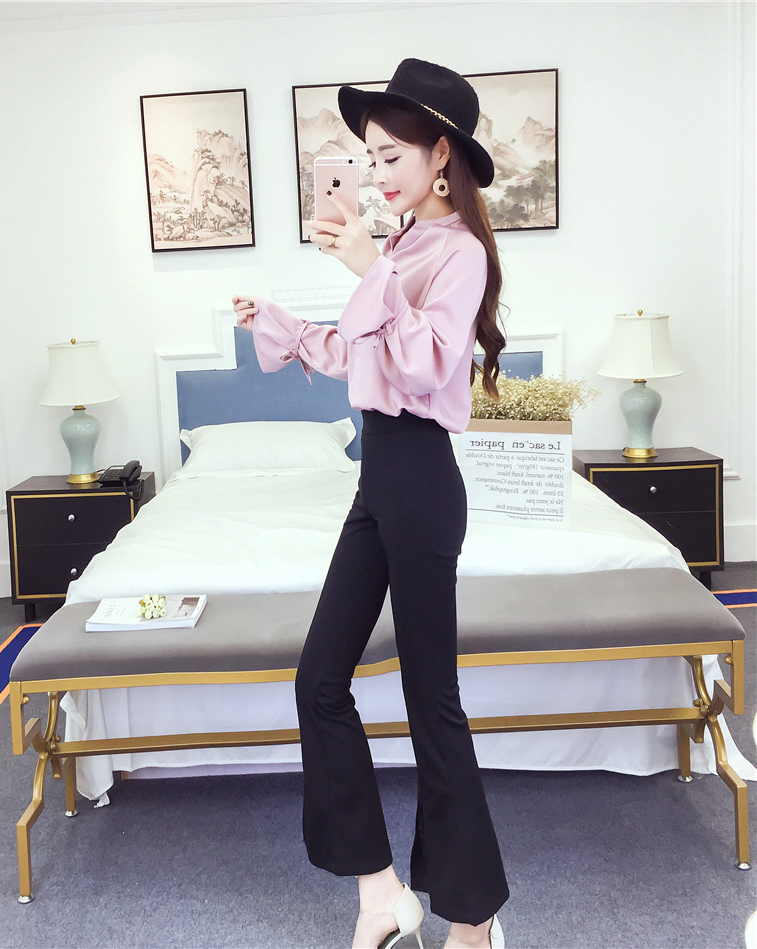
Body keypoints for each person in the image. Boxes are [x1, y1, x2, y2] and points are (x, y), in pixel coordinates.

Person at [233, 58, 509, 949]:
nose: (377, 173)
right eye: (369, 157)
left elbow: (425, 366)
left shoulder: (459, 253)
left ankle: (474, 919)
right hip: (378, 480)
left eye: (392, 156)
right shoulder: (397, 249)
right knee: (320, 679)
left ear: (441, 157)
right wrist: (277, 320)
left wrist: (365, 268)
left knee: (433, 702)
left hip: (422, 481)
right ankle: (380, 891)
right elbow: (363, 360)